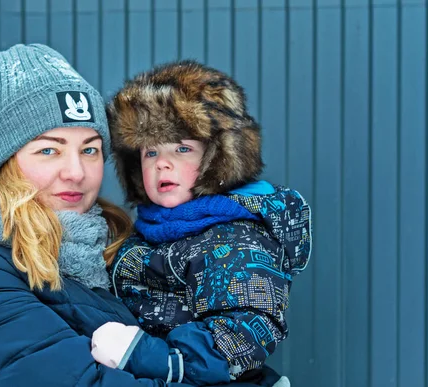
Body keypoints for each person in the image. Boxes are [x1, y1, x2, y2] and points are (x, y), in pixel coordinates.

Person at [0, 43, 198, 387]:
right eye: (48, 150)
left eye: (89, 150)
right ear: (6, 163)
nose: (75, 172)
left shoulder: (109, 260)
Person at [90, 61, 312, 387]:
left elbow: (242, 335)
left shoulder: (237, 238)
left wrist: (145, 355)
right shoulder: (149, 228)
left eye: (182, 148)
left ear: (217, 159)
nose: (163, 163)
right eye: (151, 152)